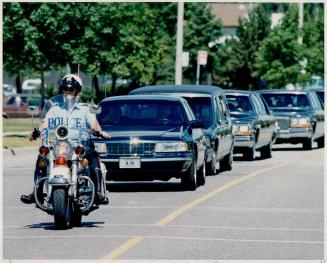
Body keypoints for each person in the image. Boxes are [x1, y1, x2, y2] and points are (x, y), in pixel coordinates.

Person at [20, 74, 110, 205]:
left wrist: (100, 132)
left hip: (79, 145)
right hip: (59, 145)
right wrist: (35, 133)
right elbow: (45, 124)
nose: (67, 92)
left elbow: (93, 124)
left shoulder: (85, 109)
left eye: (71, 89)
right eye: (64, 89)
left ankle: (96, 193)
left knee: (93, 156)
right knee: (42, 157)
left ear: (77, 91)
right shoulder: (55, 108)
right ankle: (37, 192)